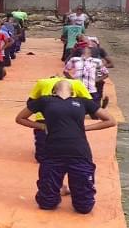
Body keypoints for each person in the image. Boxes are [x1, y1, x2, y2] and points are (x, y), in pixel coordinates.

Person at [15, 80, 117, 214]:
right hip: (53, 154)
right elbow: (20, 118)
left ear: (73, 92)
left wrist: (85, 128)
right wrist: (41, 126)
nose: (63, 83)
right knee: (46, 204)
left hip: (79, 153)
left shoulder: (83, 102)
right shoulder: (45, 100)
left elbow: (111, 121)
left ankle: (66, 189)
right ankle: (60, 189)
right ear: (53, 92)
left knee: (84, 208)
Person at [27, 77, 92, 163]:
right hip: (71, 120)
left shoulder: (42, 83)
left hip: (44, 119)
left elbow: (30, 102)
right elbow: (89, 103)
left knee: (42, 151)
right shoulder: (77, 83)